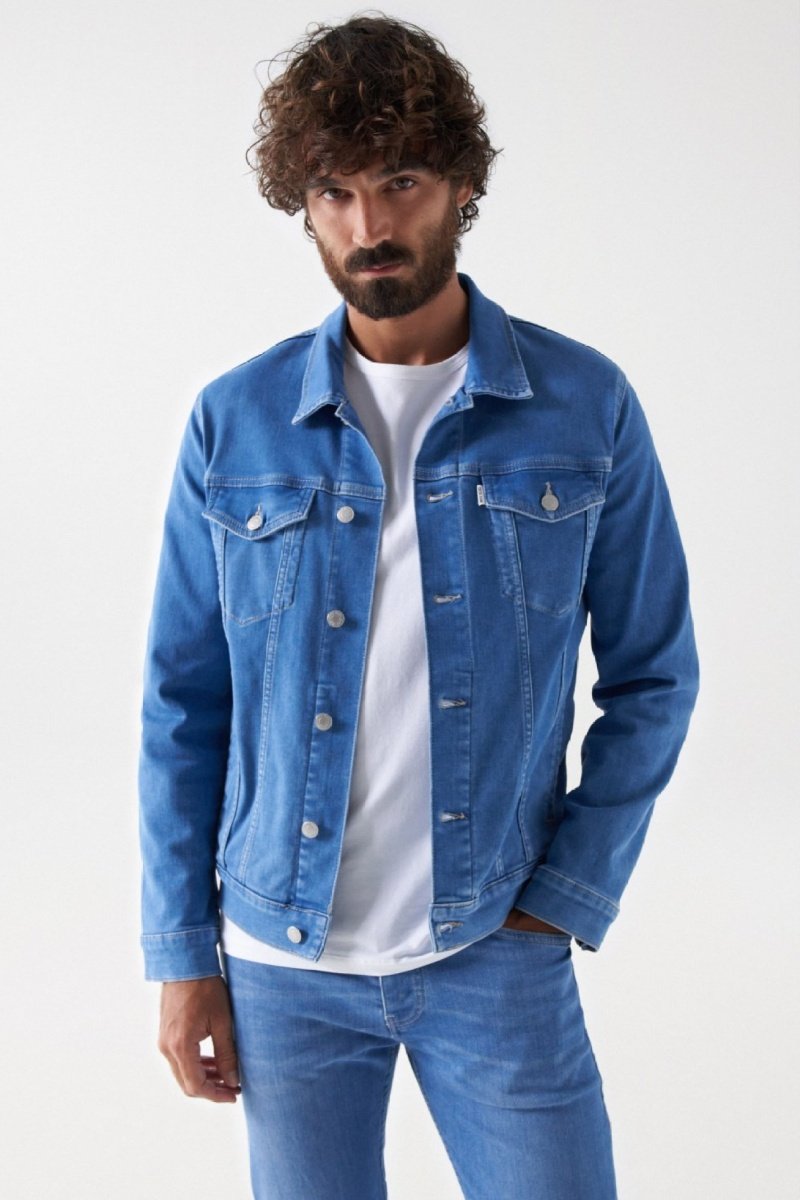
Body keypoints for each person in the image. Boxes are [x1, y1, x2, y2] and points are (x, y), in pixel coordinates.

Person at [138, 14, 700, 1199]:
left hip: (492, 942)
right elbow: (184, 704)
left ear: (459, 185)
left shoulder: (581, 404)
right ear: (303, 207)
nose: (368, 227)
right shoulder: (233, 422)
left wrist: (561, 899)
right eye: (333, 194)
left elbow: (654, 674)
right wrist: (181, 956)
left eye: (398, 181)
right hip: (281, 963)